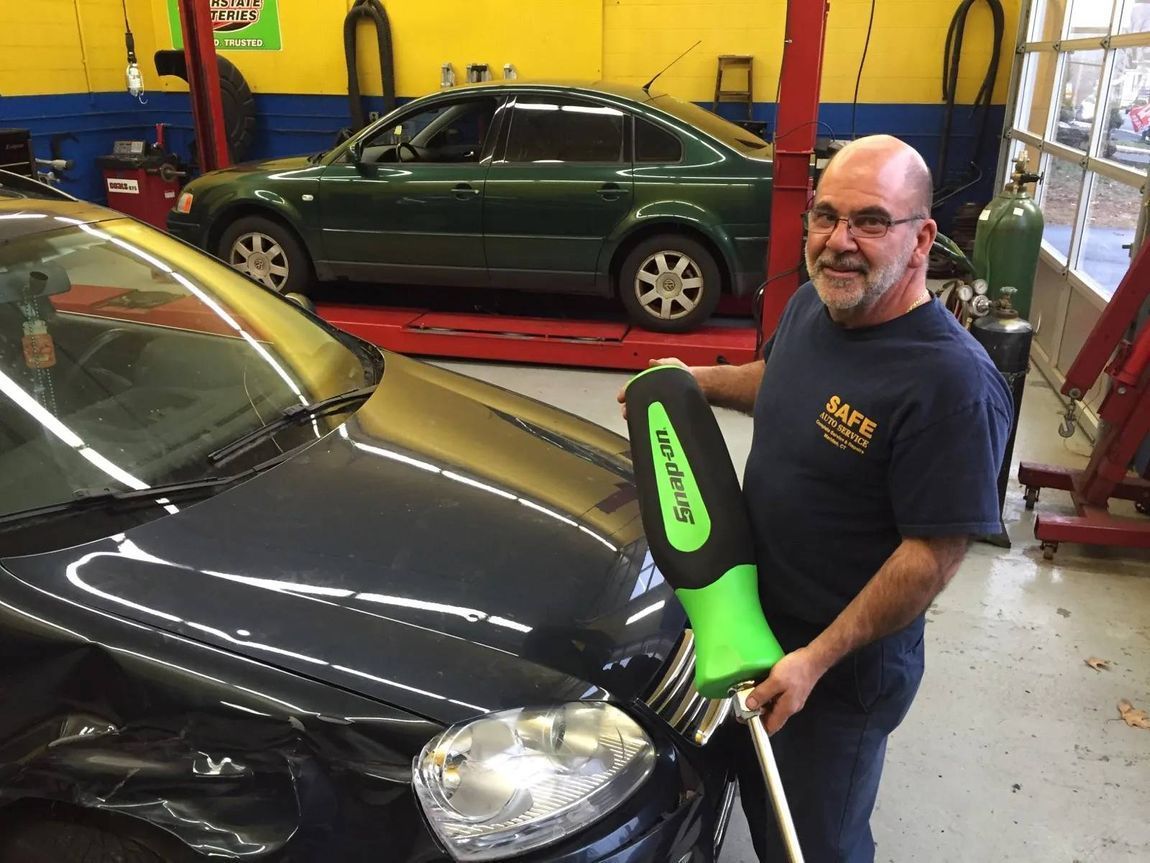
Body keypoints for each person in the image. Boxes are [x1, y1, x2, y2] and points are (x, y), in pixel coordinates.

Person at [618, 135, 1013, 862]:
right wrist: (689, 380)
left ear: (922, 237)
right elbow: (780, 379)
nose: (839, 242)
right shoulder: (814, 306)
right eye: (825, 216)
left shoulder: (951, 385)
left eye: (869, 220)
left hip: (835, 673)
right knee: (758, 808)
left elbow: (931, 557)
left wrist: (813, 660)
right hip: (753, 622)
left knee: (813, 840)